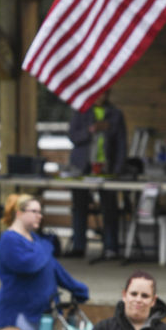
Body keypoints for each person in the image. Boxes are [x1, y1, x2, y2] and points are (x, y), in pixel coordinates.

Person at [0, 193, 89, 330]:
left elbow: (54, 268)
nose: (40, 216)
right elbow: (29, 265)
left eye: (40, 212)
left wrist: (77, 288)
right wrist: (47, 246)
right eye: (34, 211)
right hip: (20, 314)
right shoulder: (9, 240)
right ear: (19, 213)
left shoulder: (36, 239)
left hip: (45, 313)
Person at [66, 88, 127, 262]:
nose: (101, 97)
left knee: (109, 207)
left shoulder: (115, 114)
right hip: (82, 166)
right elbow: (73, 136)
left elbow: (121, 143)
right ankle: (79, 246)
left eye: (105, 93)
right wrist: (91, 129)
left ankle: (111, 247)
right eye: (98, 93)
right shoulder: (81, 111)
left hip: (106, 166)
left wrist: (118, 168)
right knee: (79, 206)